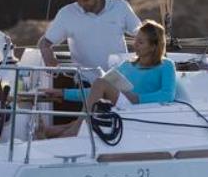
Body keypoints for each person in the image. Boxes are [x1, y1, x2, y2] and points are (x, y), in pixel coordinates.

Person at [42, 20, 176, 137]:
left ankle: (74, 130)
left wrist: (137, 98)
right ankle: (54, 131)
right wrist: (63, 93)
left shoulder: (166, 65)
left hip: (139, 109)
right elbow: (95, 92)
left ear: (153, 46)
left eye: (140, 42)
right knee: (100, 84)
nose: (135, 44)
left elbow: (167, 95)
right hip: (121, 106)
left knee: (101, 83)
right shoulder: (127, 65)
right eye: (135, 40)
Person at [39, 0, 141, 80]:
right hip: (84, 82)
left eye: (86, 0)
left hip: (119, 79)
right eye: (78, 1)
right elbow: (44, 43)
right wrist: (50, 61)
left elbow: (141, 34)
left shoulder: (120, 6)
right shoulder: (66, 14)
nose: (82, 5)